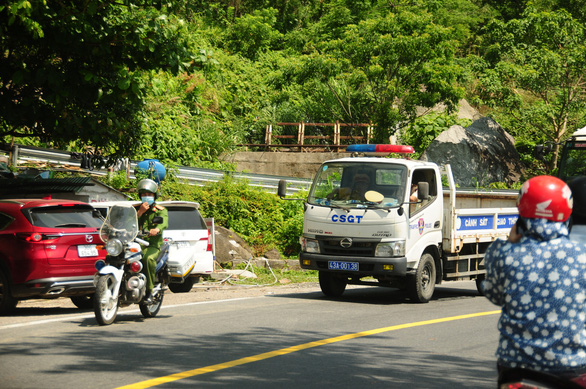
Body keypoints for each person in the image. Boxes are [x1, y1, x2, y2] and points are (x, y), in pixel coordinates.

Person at [481, 175, 586, 385]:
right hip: (571, 367)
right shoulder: (582, 256)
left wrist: (510, 243)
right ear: (567, 214)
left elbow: (494, 295)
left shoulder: (501, 252)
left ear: (521, 215)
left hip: (515, 366)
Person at [136, 178, 168, 304]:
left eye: (149, 195)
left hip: (152, 244)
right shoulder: (136, 209)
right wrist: (140, 212)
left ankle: (149, 291)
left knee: (147, 259)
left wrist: (157, 229)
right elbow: (128, 222)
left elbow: (163, 223)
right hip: (136, 243)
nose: (146, 197)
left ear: (154, 196)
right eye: (143, 195)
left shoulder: (161, 210)